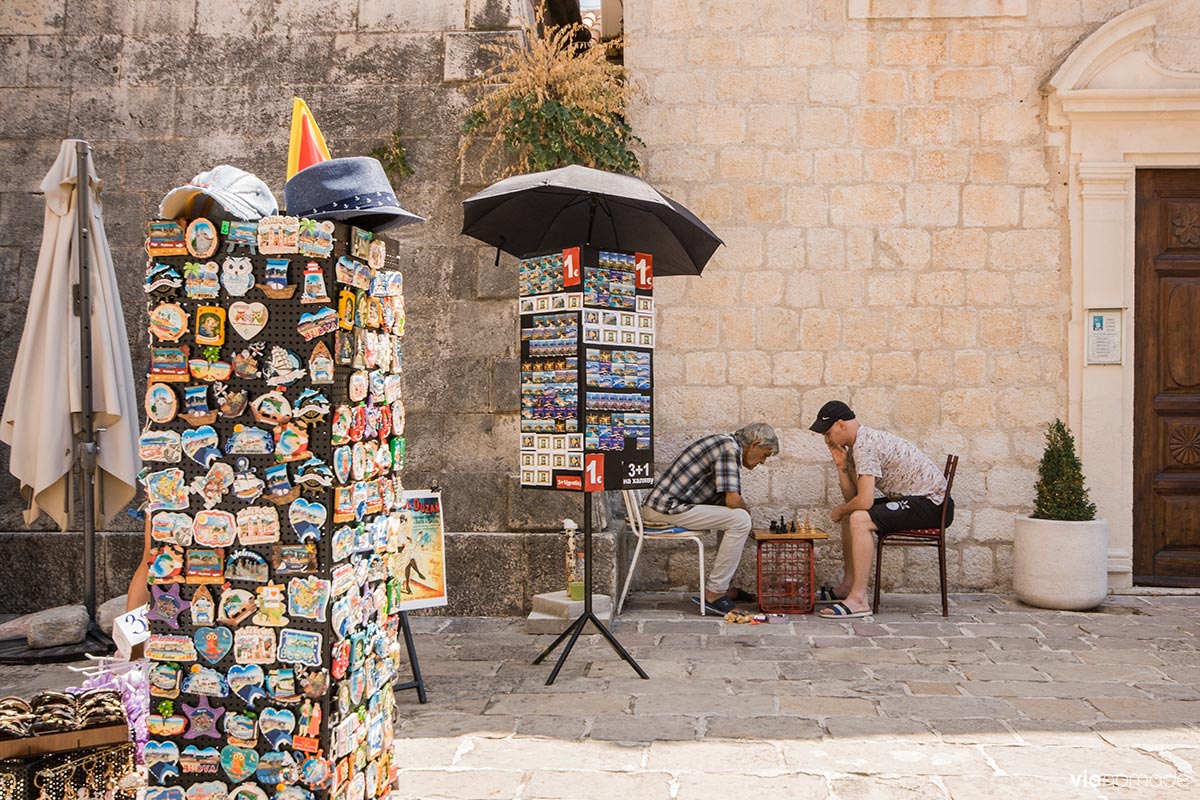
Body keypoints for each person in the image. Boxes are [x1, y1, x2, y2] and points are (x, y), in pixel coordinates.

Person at [809, 401, 952, 619]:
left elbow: (864, 502)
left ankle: (858, 599)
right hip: (917, 500)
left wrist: (839, 510)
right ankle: (848, 586)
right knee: (852, 515)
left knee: (858, 518)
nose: (827, 440)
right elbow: (854, 498)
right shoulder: (861, 443)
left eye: (828, 433)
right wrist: (841, 466)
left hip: (932, 504)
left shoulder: (866, 445)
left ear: (840, 425)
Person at [641, 422, 779, 615]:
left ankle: (726, 587)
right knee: (740, 520)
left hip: (668, 506)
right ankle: (714, 594)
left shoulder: (727, 444)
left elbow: (727, 501)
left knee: (734, 518)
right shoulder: (729, 448)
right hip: (664, 508)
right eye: (764, 454)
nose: (763, 461)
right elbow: (733, 499)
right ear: (754, 444)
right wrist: (747, 512)